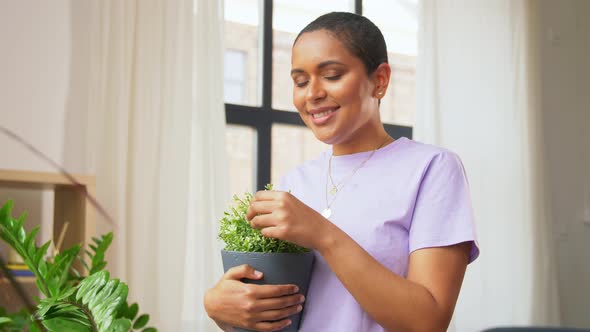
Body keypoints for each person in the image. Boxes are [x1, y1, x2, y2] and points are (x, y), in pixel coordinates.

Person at [204, 11, 479, 332]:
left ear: (380, 80)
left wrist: (323, 234)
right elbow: (278, 312)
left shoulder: (432, 169)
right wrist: (223, 309)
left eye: (332, 75)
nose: (312, 93)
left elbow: (427, 322)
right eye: (300, 81)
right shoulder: (294, 182)